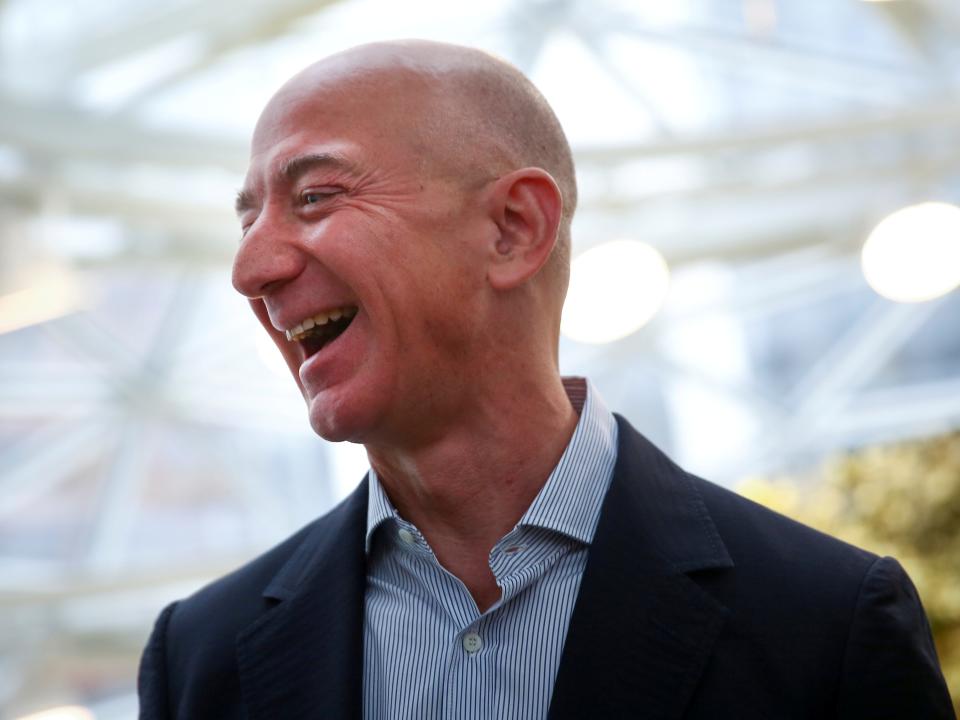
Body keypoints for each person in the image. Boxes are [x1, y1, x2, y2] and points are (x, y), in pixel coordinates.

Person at [138, 40, 955, 719]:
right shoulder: (200, 662)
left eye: (315, 195)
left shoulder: (826, 623)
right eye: (248, 220)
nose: (252, 268)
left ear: (513, 228)